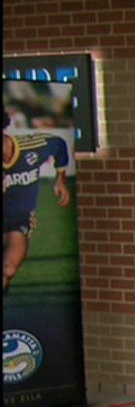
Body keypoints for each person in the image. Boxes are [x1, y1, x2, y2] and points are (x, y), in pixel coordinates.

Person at [3, 110, 71, 293]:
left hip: (19, 218)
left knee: (8, 269)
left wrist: (61, 179)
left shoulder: (30, 147)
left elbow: (59, 144)